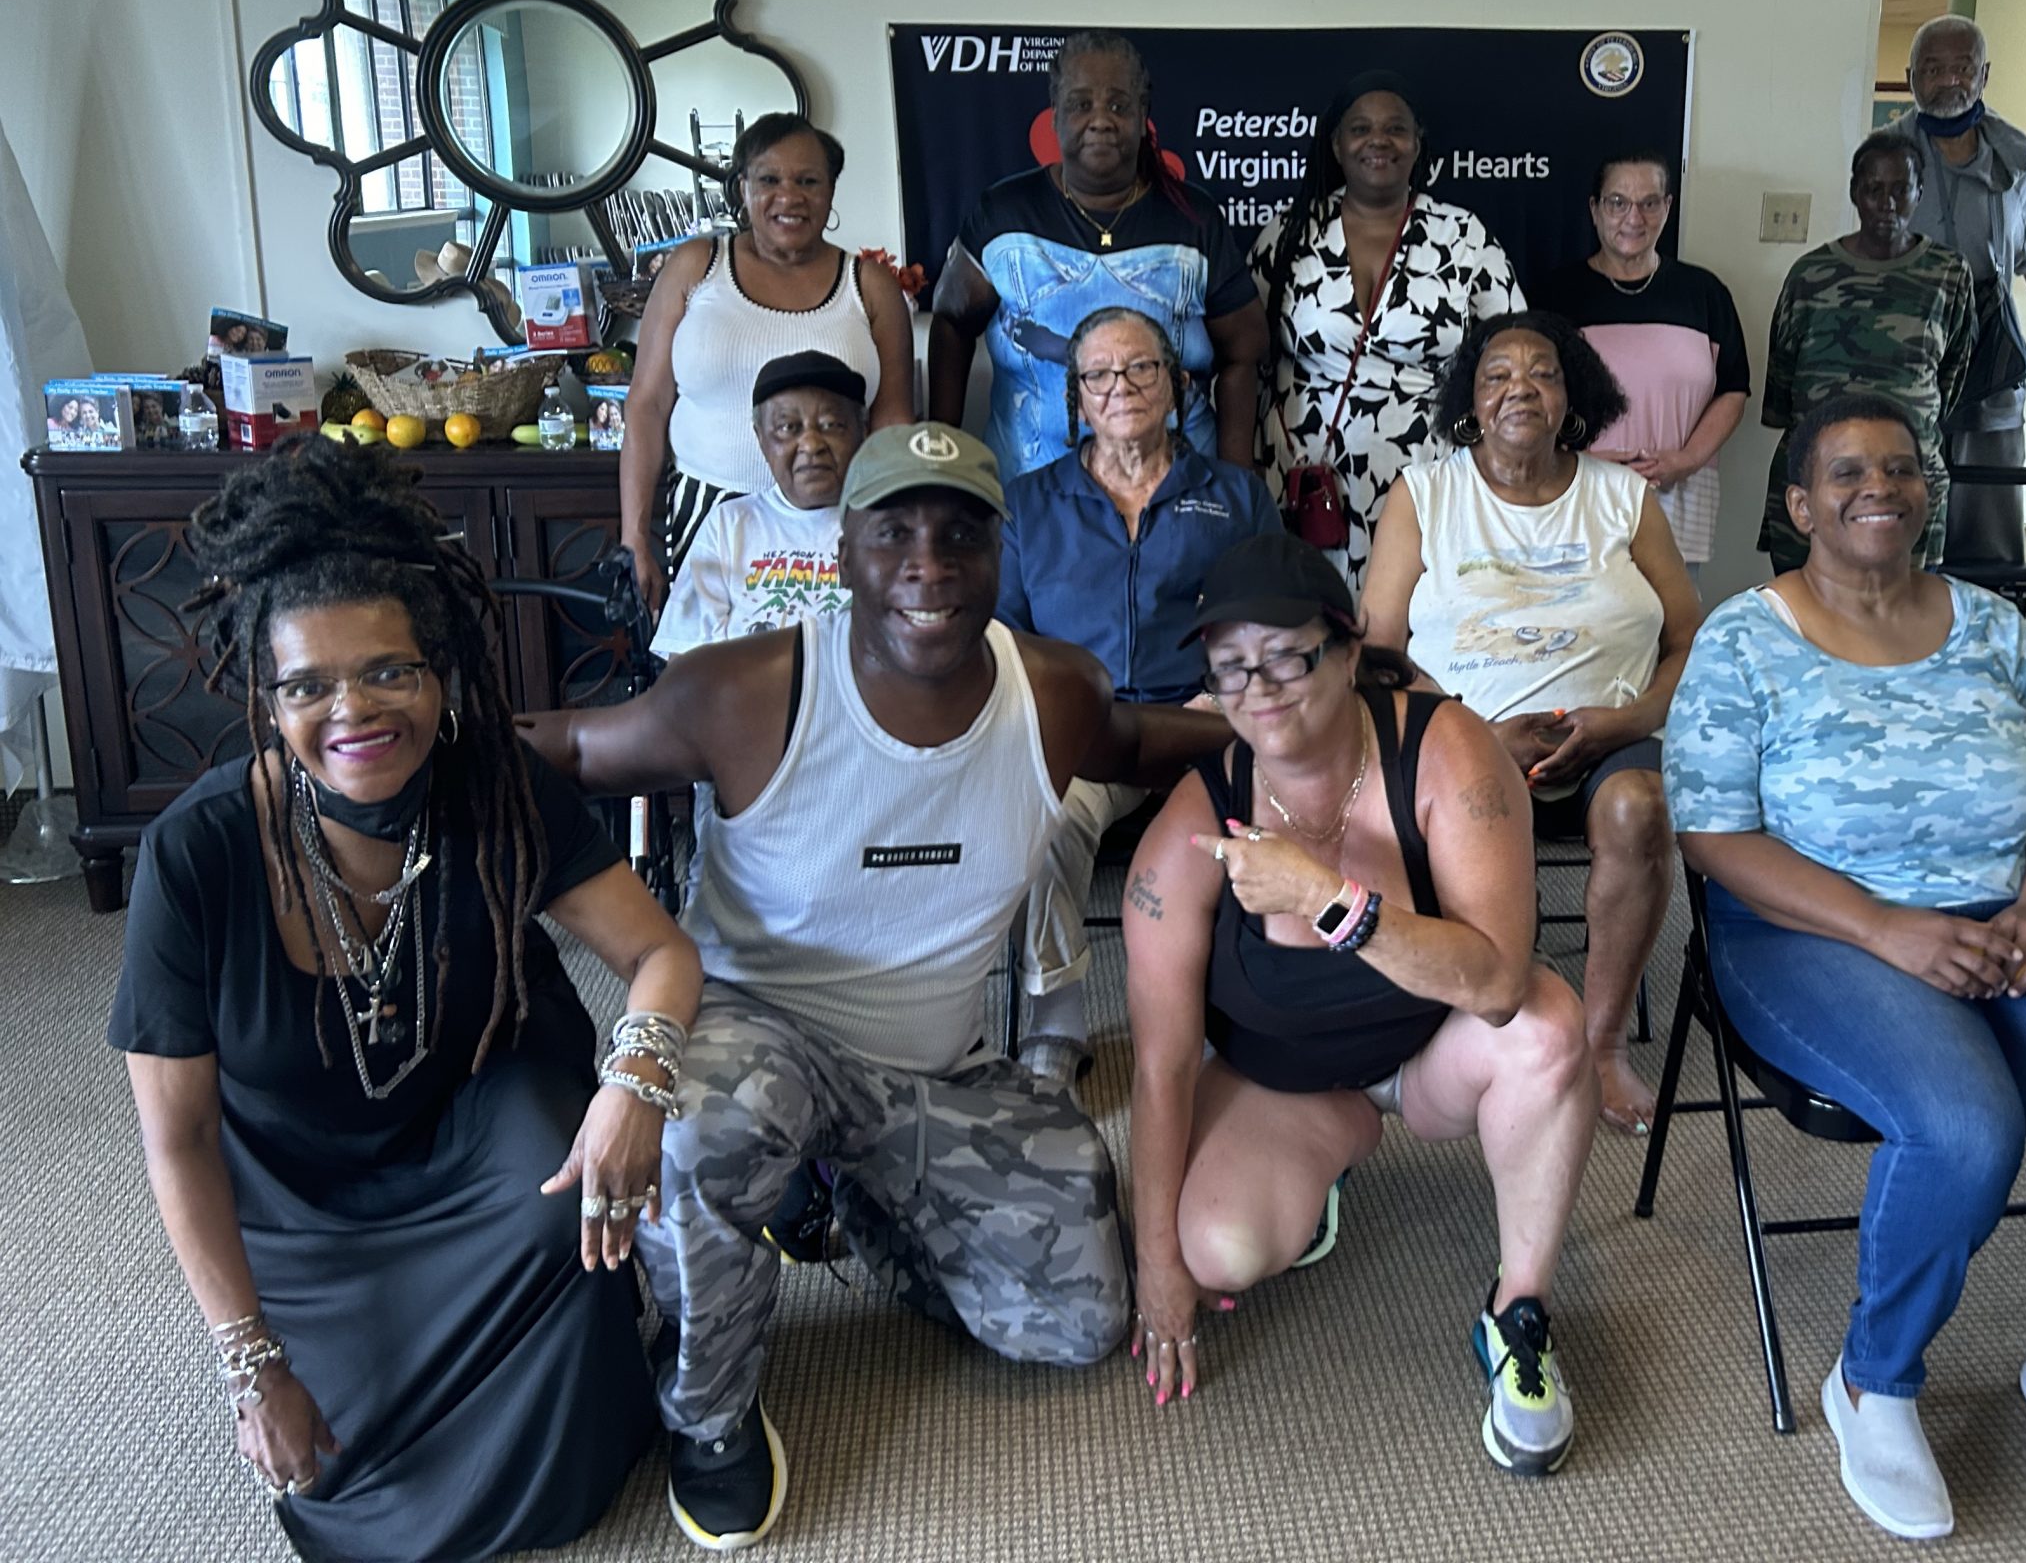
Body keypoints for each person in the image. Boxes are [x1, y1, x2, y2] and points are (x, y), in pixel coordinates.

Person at [523, 420, 1227, 1552]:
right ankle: (709, 1415)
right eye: (893, 532)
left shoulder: (1053, 693)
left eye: (961, 536)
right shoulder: (748, 688)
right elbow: (570, 751)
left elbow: (1148, 742)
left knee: (1077, 1321)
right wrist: (400, 750)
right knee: (698, 1133)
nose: (928, 565)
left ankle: (851, 1196)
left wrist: (1312, 713)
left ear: (999, 553)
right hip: (757, 1037)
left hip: (935, 1070)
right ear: (843, 549)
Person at [110, 437, 703, 1563]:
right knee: (341, 1465)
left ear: (440, 670)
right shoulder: (196, 854)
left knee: (562, 1212)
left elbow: (662, 954)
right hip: (301, 1193)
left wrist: (635, 1084)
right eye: (308, 685)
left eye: (390, 671)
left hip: (481, 1126)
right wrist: (251, 1363)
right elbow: (176, 1140)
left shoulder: (495, 784)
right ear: (264, 695)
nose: (355, 711)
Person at [1667, 390, 2026, 1544]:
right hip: (1809, 932)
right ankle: (1874, 1383)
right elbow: (1711, 836)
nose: (1879, 488)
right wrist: (1882, 927)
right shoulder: (1743, 639)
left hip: (2007, 912)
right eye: (1846, 471)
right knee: (1962, 1127)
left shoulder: (1994, 627)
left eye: (1900, 468)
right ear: (1800, 504)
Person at [1122, 533, 1599, 1476]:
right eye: (1230, 668)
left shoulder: (1445, 750)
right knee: (1213, 1249)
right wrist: (1155, 1263)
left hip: (1433, 1055)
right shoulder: (1193, 824)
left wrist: (1325, 900)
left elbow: (1497, 983)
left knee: (1547, 1028)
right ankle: (1332, 1147)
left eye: (1286, 656)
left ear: (1347, 652)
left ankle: (1519, 1309)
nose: (1258, 688)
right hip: (1286, 1081)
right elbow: (1160, 1063)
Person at [1360, 311, 1700, 1138]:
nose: (1521, 388)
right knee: (1437, 807)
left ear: (1573, 396)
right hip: (1460, 739)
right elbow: (1376, 651)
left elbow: (1692, 640)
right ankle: (1475, 1019)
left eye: (1543, 373)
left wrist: (1626, 721)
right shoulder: (1425, 493)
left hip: (1608, 739)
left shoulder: (1624, 497)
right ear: (1470, 401)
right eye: (1498, 375)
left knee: (1641, 808)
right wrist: (1472, 734)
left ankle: (1603, 1043)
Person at [996, 306, 1280, 1084]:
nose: (1120, 386)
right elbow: (1006, 638)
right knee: (1046, 818)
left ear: (1177, 383)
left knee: (1272, 820)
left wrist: (1224, 697)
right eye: (1098, 374)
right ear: (1076, 399)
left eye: (1140, 367)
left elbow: (1272, 618)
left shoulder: (1235, 496)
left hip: (1208, 725)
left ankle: (1249, 1009)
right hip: (1091, 733)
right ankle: (1056, 1020)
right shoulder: (1028, 503)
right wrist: (1065, 711)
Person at [929, 31, 1265, 480]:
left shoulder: (1192, 218)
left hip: (1175, 488)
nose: (1101, 120)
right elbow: (951, 322)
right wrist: (939, 459)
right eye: (1081, 104)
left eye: (1119, 105)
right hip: (1031, 489)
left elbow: (1244, 349)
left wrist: (1236, 483)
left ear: (1143, 116)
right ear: (1055, 116)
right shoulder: (1005, 213)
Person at [621, 113, 916, 612]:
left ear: (831, 190)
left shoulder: (869, 286)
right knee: (711, 658)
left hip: (833, 523)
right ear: (743, 188)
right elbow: (647, 404)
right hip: (706, 514)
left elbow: (892, 419)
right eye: (769, 180)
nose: (789, 196)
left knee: (829, 654)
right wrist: (633, 536)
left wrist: (887, 523)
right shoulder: (696, 266)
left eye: (808, 181)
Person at [1255, 72, 1522, 585]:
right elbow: (1248, 351)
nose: (1378, 141)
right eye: (1361, 129)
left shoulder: (1462, 235)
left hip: (1427, 470)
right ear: (1337, 145)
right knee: (1315, 615)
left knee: (1415, 612)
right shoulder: (1290, 233)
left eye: (1395, 129)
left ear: (1417, 144)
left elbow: (1513, 351)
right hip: (1307, 475)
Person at [1895, 15, 2026, 567]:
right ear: (1911, 77)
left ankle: (1990, 621)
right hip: (1905, 363)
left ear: (1984, 75)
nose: (1949, 81)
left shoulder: (2013, 157)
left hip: (1989, 364)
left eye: (1962, 68)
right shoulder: (1886, 155)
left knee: (1989, 538)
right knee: (1901, 534)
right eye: (1933, 69)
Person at [1522, 152, 1750, 587]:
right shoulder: (1553, 296)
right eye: (1618, 203)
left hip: (1679, 502)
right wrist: (1572, 459)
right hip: (1575, 496)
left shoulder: (1704, 294)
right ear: (1595, 209)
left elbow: (1733, 389)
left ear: (1667, 207)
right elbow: (1526, 394)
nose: (1634, 218)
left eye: (1649, 203)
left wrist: (1686, 460)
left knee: (1674, 620)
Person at [1758, 131, 1974, 573]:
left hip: (1906, 481)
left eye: (1900, 190)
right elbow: (1782, 381)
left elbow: (1950, 377)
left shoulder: (1948, 274)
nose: (1887, 204)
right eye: (1874, 190)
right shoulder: (1810, 276)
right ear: (1855, 192)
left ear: (1920, 192)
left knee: (1903, 607)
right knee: (1804, 605)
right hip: (1818, 476)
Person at [653, 349, 867, 656]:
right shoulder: (728, 524)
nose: (811, 444)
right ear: (761, 439)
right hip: (740, 686)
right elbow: (683, 655)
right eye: (788, 428)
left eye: (831, 425)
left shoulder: (882, 523)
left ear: (862, 430)